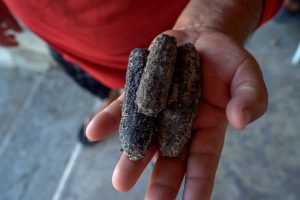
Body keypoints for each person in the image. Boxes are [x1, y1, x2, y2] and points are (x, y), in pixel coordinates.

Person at [0, 0, 284, 199]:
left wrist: (216, 16)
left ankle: (114, 90)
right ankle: (111, 91)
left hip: (176, 22)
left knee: (130, 98)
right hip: (64, 42)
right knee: (93, 77)